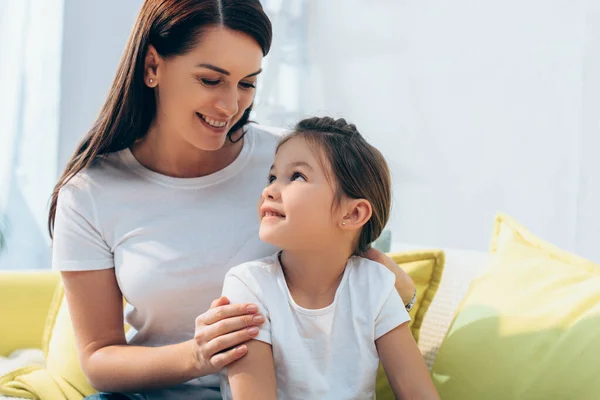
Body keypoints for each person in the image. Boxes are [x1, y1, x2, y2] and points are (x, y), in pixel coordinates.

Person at [48, 1, 416, 399]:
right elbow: (99, 357)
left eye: (247, 83)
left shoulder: (291, 163)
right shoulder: (90, 193)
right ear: (153, 67)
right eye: (210, 80)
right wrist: (197, 355)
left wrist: (401, 296)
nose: (230, 106)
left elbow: (353, 265)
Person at [220, 117, 439, 400]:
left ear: (353, 214)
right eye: (272, 177)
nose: (269, 190)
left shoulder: (375, 285)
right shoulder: (249, 285)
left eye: (296, 176)